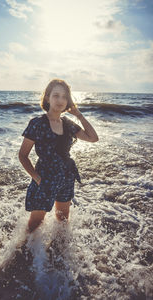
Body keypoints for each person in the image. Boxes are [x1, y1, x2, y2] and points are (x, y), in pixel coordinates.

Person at [19, 79, 98, 233]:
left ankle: (58, 252)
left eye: (64, 96)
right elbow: (23, 155)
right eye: (56, 95)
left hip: (66, 176)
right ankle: (25, 252)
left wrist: (79, 115)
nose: (60, 100)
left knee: (62, 220)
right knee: (35, 224)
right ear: (47, 98)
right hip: (45, 179)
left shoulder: (68, 124)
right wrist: (38, 179)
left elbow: (93, 138)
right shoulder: (37, 123)